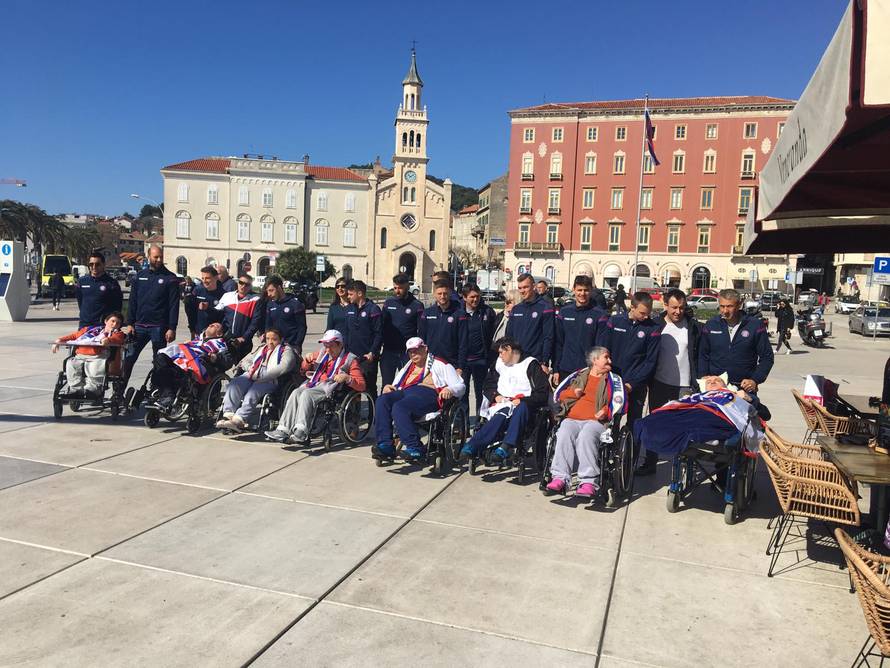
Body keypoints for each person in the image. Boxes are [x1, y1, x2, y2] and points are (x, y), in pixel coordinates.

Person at [544, 347, 626, 497]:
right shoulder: (579, 376)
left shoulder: (613, 380)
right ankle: (560, 478)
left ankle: (588, 482)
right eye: (606, 357)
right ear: (595, 360)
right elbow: (559, 395)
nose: (610, 361)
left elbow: (621, 402)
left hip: (596, 422)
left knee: (586, 436)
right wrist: (573, 393)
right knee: (564, 432)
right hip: (572, 418)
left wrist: (606, 412)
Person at [637, 288, 700, 475]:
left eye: (681, 307)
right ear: (665, 305)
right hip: (659, 382)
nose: (678, 312)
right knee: (656, 423)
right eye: (674, 307)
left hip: (685, 385)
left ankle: (684, 466)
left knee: (684, 427)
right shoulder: (655, 325)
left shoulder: (693, 326)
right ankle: (650, 462)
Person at [264, 329, 366, 445]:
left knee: (307, 394)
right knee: (296, 392)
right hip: (314, 383)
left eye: (331, 346)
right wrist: (307, 361)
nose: (328, 349)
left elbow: (361, 385)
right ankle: (283, 429)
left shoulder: (350, 360)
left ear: (340, 345)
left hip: (330, 388)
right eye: (325, 345)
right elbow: (303, 370)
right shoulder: (322, 354)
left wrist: (347, 378)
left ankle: (301, 431)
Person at [372, 337, 465, 462]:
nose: (413, 354)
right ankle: (385, 444)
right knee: (382, 400)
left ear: (425, 348)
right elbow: (398, 384)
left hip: (428, 394)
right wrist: (390, 387)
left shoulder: (440, 363)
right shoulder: (408, 366)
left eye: (416, 350)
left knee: (400, 407)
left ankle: (415, 447)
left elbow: (461, 385)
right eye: (410, 352)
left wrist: (450, 390)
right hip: (406, 392)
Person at [459, 337, 549, 464]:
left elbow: (542, 393)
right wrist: (495, 396)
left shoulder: (530, 365)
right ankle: (474, 445)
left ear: (510, 349)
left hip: (525, 408)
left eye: (501, 352)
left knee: (520, 407)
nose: (500, 356)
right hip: (503, 405)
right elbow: (488, 385)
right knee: (502, 414)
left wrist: (524, 400)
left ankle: (506, 446)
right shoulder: (499, 364)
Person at [596, 291, 661, 465]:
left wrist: (633, 383)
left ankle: (629, 460)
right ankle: (605, 455)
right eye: (642, 312)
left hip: (635, 384)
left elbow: (650, 361)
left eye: (648, 312)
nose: (646, 316)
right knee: (609, 419)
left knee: (634, 421)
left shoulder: (653, 329)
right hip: (613, 381)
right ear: (632, 307)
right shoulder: (615, 321)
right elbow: (604, 349)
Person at [633, 375, 764, 459]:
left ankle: (705, 435)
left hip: (715, 413)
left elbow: (764, 413)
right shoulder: (697, 396)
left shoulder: (733, 393)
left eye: (717, 380)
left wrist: (748, 398)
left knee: (700, 419)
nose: (712, 381)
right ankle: (704, 435)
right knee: (654, 419)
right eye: (709, 381)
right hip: (691, 409)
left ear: (724, 385)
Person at [216, 328, 296, 432]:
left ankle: (240, 418)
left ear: (281, 340)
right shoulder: (262, 348)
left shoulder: (286, 351)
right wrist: (250, 369)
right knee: (234, 384)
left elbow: (284, 367)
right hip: (253, 373)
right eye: (268, 339)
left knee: (253, 391)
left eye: (274, 339)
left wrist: (263, 376)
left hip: (270, 377)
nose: (270, 342)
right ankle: (228, 414)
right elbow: (245, 361)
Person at [698, 288, 774, 395]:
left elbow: (767, 357)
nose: (725, 311)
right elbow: (703, 355)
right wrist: (704, 375)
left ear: (739, 305)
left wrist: (755, 380)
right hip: (715, 388)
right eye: (722, 306)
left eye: (729, 306)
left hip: (743, 389)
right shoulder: (711, 325)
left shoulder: (755, 325)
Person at [123, 245, 180, 382]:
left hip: (159, 327)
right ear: (149, 257)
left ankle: (156, 390)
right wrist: (130, 323)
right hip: (139, 327)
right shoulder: (139, 277)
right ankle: (119, 391)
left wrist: (172, 328)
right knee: (128, 359)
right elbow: (133, 301)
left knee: (159, 362)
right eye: (155, 257)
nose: (159, 259)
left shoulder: (170, 278)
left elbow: (174, 305)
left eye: (160, 256)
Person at [148, 322, 233, 411]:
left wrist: (215, 357)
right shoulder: (196, 340)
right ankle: (161, 390)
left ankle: (168, 395)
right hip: (181, 361)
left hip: (196, 366)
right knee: (160, 358)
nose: (211, 325)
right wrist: (187, 345)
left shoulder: (221, 344)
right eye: (210, 324)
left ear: (219, 334)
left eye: (216, 326)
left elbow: (228, 361)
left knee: (170, 371)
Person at [52, 311, 126, 398]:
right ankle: (76, 390)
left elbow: (117, 339)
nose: (115, 324)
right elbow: (74, 336)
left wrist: (108, 340)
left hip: (98, 356)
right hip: (80, 355)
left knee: (94, 368)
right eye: (112, 321)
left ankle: (92, 391)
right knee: (71, 364)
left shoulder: (117, 333)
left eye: (118, 323)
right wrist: (59, 340)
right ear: (106, 321)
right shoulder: (89, 329)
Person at [554, 275, 608, 384]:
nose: (582, 294)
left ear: (591, 291)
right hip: (566, 368)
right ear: (574, 290)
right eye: (579, 290)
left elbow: (600, 347)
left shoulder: (599, 314)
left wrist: (598, 369)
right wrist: (555, 368)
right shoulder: (565, 312)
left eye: (586, 290)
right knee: (566, 400)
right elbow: (558, 342)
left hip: (588, 370)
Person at [380, 273, 425, 387]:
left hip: (408, 353)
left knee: (407, 385)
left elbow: (422, 330)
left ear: (407, 287)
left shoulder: (417, 305)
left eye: (400, 288)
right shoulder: (389, 303)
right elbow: (381, 326)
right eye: (395, 288)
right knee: (387, 385)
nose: (397, 291)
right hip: (389, 351)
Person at [506, 273, 555, 371]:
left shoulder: (545, 307)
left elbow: (548, 337)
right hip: (516, 360)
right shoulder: (516, 309)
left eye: (525, 287)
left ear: (533, 286)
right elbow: (509, 336)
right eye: (520, 288)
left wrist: (544, 362)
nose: (522, 291)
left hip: (535, 361)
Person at [344, 280, 383, 398]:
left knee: (369, 387)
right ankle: (353, 415)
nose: (348, 297)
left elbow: (379, 333)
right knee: (352, 386)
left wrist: (373, 352)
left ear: (360, 293)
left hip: (367, 357)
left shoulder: (373, 309)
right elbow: (346, 331)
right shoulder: (349, 309)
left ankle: (373, 415)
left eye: (351, 294)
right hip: (351, 356)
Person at [418, 279, 467, 373]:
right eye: (439, 293)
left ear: (450, 293)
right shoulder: (427, 313)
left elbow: (463, 342)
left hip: (451, 363)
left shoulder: (459, 314)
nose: (442, 296)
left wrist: (460, 366)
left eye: (445, 293)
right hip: (431, 362)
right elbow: (421, 339)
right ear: (434, 294)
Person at [461, 284, 496, 413]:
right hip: (463, 361)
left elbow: (494, 333)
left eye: (477, 296)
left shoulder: (487, 312)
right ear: (464, 297)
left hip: (481, 359)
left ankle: (480, 420)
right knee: (462, 393)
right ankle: (462, 423)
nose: (475, 300)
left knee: (481, 392)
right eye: (472, 297)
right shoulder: (458, 313)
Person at [216, 273, 262, 358]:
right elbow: (216, 313)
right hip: (226, 337)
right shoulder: (227, 296)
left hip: (243, 340)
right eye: (241, 282)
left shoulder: (256, 299)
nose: (243, 286)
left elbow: (256, 321)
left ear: (250, 286)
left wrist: (245, 337)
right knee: (221, 363)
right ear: (237, 283)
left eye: (247, 284)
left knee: (241, 367)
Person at [75, 252, 123, 327]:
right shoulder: (82, 281)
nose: (94, 267)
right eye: (91, 264)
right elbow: (80, 301)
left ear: (103, 265)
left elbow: (117, 306)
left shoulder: (111, 283)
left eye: (97, 264)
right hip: (84, 325)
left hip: (102, 326)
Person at [264, 274, 307, 355]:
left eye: (271, 290)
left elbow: (302, 327)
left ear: (279, 288)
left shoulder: (295, 304)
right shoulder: (270, 305)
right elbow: (268, 326)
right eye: (267, 291)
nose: (269, 294)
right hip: (275, 347)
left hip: (291, 347)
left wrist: (297, 344)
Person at [192, 266, 226, 335]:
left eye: (207, 278)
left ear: (216, 278)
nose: (204, 281)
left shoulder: (224, 294)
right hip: (199, 332)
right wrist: (192, 328)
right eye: (203, 278)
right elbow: (192, 311)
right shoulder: (197, 291)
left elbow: (224, 315)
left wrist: (208, 308)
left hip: (215, 334)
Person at [491, 288, 520, 359]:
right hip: (496, 354)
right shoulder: (500, 316)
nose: (506, 304)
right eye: (505, 301)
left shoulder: (520, 318)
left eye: (509, 302)